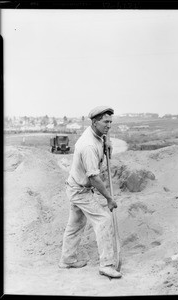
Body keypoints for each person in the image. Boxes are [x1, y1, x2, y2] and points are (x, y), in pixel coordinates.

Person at [58, 106, 122, 278]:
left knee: (76, 224)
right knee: (104, 219)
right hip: (80, 190)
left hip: (75, 186)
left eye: (110, 122)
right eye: (105, 122)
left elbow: (104, 135)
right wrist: (109, 198)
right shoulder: (88, 146)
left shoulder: (97, 133)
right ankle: (107, 265)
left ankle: (67, 259)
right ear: (95, 122)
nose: (109, 125)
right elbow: (94, 178)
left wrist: (107, 141)